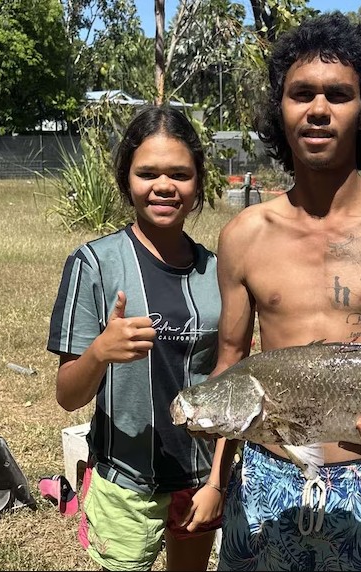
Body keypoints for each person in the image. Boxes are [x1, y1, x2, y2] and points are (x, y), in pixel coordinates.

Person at [198, 12, 361, 571]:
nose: (318, 109)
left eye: (338, 95)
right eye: (301, 93)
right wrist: (217, 480)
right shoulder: (244, 237)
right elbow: (231, 364)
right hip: (265, 478)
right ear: (280, 109)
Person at [47, 106, 224, 572]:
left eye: (180, 174)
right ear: (126, 179)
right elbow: (68, 395)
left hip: (200, 480)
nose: (163, 186)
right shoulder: (94, 265)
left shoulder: (218, 273)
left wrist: (218, 483)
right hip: (125, 481)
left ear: (198, 182)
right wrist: (101, 351)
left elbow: (231, 381)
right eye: (147, 173)